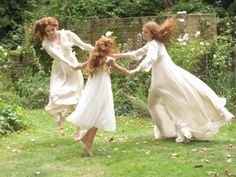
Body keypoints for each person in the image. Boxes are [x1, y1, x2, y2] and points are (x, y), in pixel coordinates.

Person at [112, 16, 234, 143]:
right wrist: (115, 55)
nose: (143, 33)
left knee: (164, 105)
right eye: (143, 31)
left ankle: (183, 132)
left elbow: (151, 58)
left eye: (145, 32)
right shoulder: (154, 44)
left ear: (152, 33)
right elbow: (135, 54)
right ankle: (170, 131)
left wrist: (136, 69)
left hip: (161, 81)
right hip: (167, 79)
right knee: (162, 104)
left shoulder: (154, 45)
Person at [67, 36, 134, 156]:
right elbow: (120, 69)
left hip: (93, 86)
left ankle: (86, 139)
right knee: (98, 114)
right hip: (102, 87)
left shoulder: (94, 57)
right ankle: (87, 146)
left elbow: (82, 65)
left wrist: (75, 66)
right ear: (107, 49)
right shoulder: (109, 60)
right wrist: (130, 73)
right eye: (110, 47)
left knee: (98, 113)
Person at [33, 16, 94, 140]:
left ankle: (79, 130)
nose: (50, 33)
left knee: (76, 98)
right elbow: (58, 56)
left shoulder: (67, 34)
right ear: (43, 32)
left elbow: (83, 45)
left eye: (52, 30)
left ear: (56, 27)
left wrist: (98, 50)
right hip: (60, 69)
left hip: (73, 69)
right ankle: (59, 115)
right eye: (47, 31)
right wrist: (72, 65)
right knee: (56, 94)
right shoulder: (46, 43)